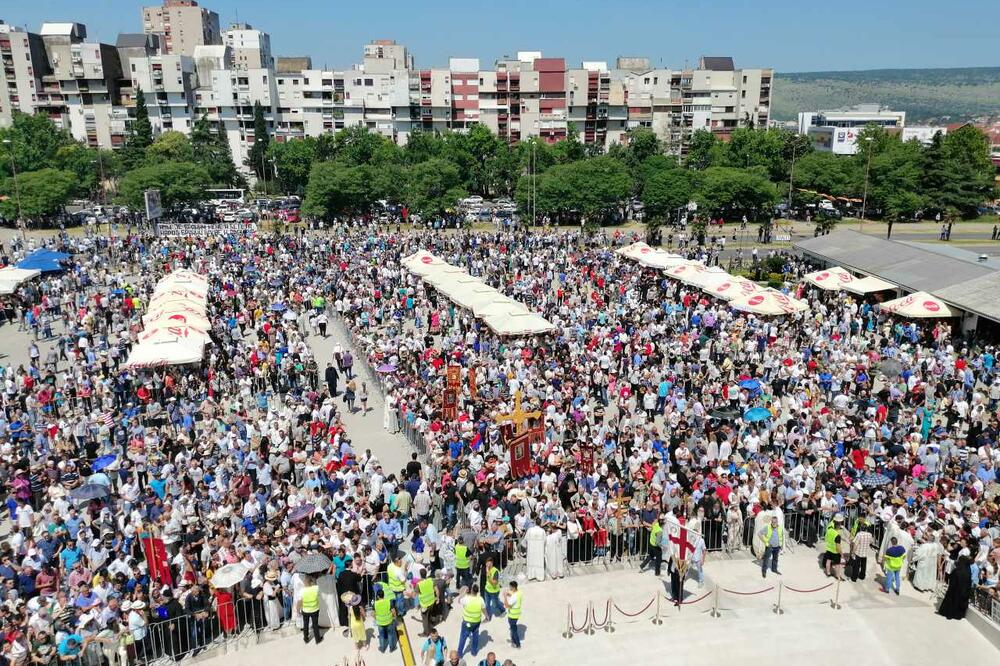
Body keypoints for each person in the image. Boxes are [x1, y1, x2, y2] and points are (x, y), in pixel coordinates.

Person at [938, 549, 973, 620]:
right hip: (962, 593)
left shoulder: (957, 571)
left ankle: (949, 614)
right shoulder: (968, 572)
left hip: (953, 592)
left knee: (952, 602)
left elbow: (952, 581)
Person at [457, 584, 484, 658]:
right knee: (475, 636)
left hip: (467, 622)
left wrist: (463, 593)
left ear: (471, 590)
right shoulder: (480, 599)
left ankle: (459, 653)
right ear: (477, 591)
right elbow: (483, 609)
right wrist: (487, 616)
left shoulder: (466, 599)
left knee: (463, 637)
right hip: (476, 622)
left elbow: (459, 600)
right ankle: (474, 652)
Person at [296, 575, 322, 644]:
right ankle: (317, 639)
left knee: (305, 624)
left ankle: (306, 638)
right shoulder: (316, 588)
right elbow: (316, 587)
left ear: (304, 582)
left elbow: (299, 602)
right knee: (315, 625)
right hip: (315, 609)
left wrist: (298, 610)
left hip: (305, 610)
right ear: (311, 581)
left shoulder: (302, 591)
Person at [374, 588, 398, 653]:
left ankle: (382, 649)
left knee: (381, 636)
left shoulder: (375, 603)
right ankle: (392, 648)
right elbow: (393, 611)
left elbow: (373, 613)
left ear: (378, 596)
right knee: (390, 635)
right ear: (383, 595)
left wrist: (376, 619)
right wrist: (395, 618)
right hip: (389, 621)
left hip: (380, 622)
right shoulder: (388, 601)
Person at [417, 568, 439, 637]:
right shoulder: (431, 581)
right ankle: (431, 624)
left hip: (424, 605)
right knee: (430, 615)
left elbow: (415, 594)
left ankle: (426, 633)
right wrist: (437, 598)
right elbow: (437, 590)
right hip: (432, 602)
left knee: (425, 619)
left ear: (420, 575)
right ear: (426, 574)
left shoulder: (419, 584)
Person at [824, 514, 845, 579]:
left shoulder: (829, 529)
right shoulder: (837, 535)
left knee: (828, 561)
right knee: (837, 565)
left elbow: (826, 537)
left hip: (828, 549)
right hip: (835, 552)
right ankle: (837, 576)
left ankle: (828, 573)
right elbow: (838, 547)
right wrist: (842, 555)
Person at [503, 581, 522, 649]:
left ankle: (517, 644)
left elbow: (507, 605)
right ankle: (514, 641)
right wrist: (509, 595)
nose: (509, 588)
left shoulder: (514, 596)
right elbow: (514, 598)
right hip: (517, 614)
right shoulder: (518, 593)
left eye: (510, 587)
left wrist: (505, 597)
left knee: (514, 630)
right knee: (513, 628)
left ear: (513, 587)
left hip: (512, 615)